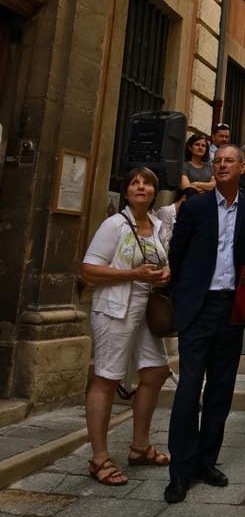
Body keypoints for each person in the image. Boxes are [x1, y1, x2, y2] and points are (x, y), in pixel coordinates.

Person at [165, 145, 245, 504]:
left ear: (241, 168)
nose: (221, 165)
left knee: (221, 389)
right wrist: (183, 296)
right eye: (217, 161)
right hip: (198, 308)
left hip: (231, 310)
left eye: (228, 161)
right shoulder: (193, 207)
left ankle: (206, 462)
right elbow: (176, 254)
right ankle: (179, 471)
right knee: (189, 388)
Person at [81, 168, 170, 486]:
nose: (141, 186)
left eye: (147, 182)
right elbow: (89, 269)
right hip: (114, 310)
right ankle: (100, 458)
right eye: (134, 182)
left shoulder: (158, 225)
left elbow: (161, 264)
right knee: (106, 377)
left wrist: (163, 275)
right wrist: (133, 275)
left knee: (156, 372)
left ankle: (140, 447)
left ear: (154, 191)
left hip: (144, 310)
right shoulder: (114, 225)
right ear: (126, 191)